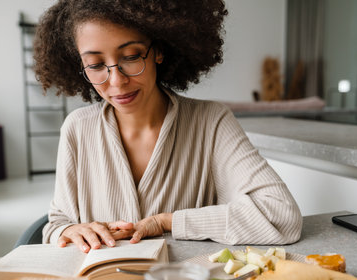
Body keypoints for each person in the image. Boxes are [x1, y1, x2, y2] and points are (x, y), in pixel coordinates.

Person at [34, 0, 302, 253]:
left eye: (131, 56)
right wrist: (70, 230)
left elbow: (281, 216)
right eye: (95, 65)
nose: (116, 81)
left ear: (159, 51)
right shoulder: (77, 129)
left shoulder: (211, 122)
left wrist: (166, 222)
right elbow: (56, 224)